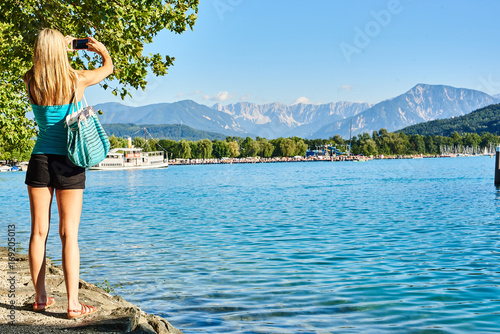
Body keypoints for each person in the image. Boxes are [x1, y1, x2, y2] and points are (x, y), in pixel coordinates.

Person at [23, 28, 113, 319]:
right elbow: (107, 69)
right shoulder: (75, 79)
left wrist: (55, 47)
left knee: (38, 232)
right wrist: (99, 51)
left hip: (40, 159)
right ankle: (73, 305)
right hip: (70, 160)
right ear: (61, 49)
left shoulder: (30, 79)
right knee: (68, 234)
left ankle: (40, 298)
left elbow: (45, 63)